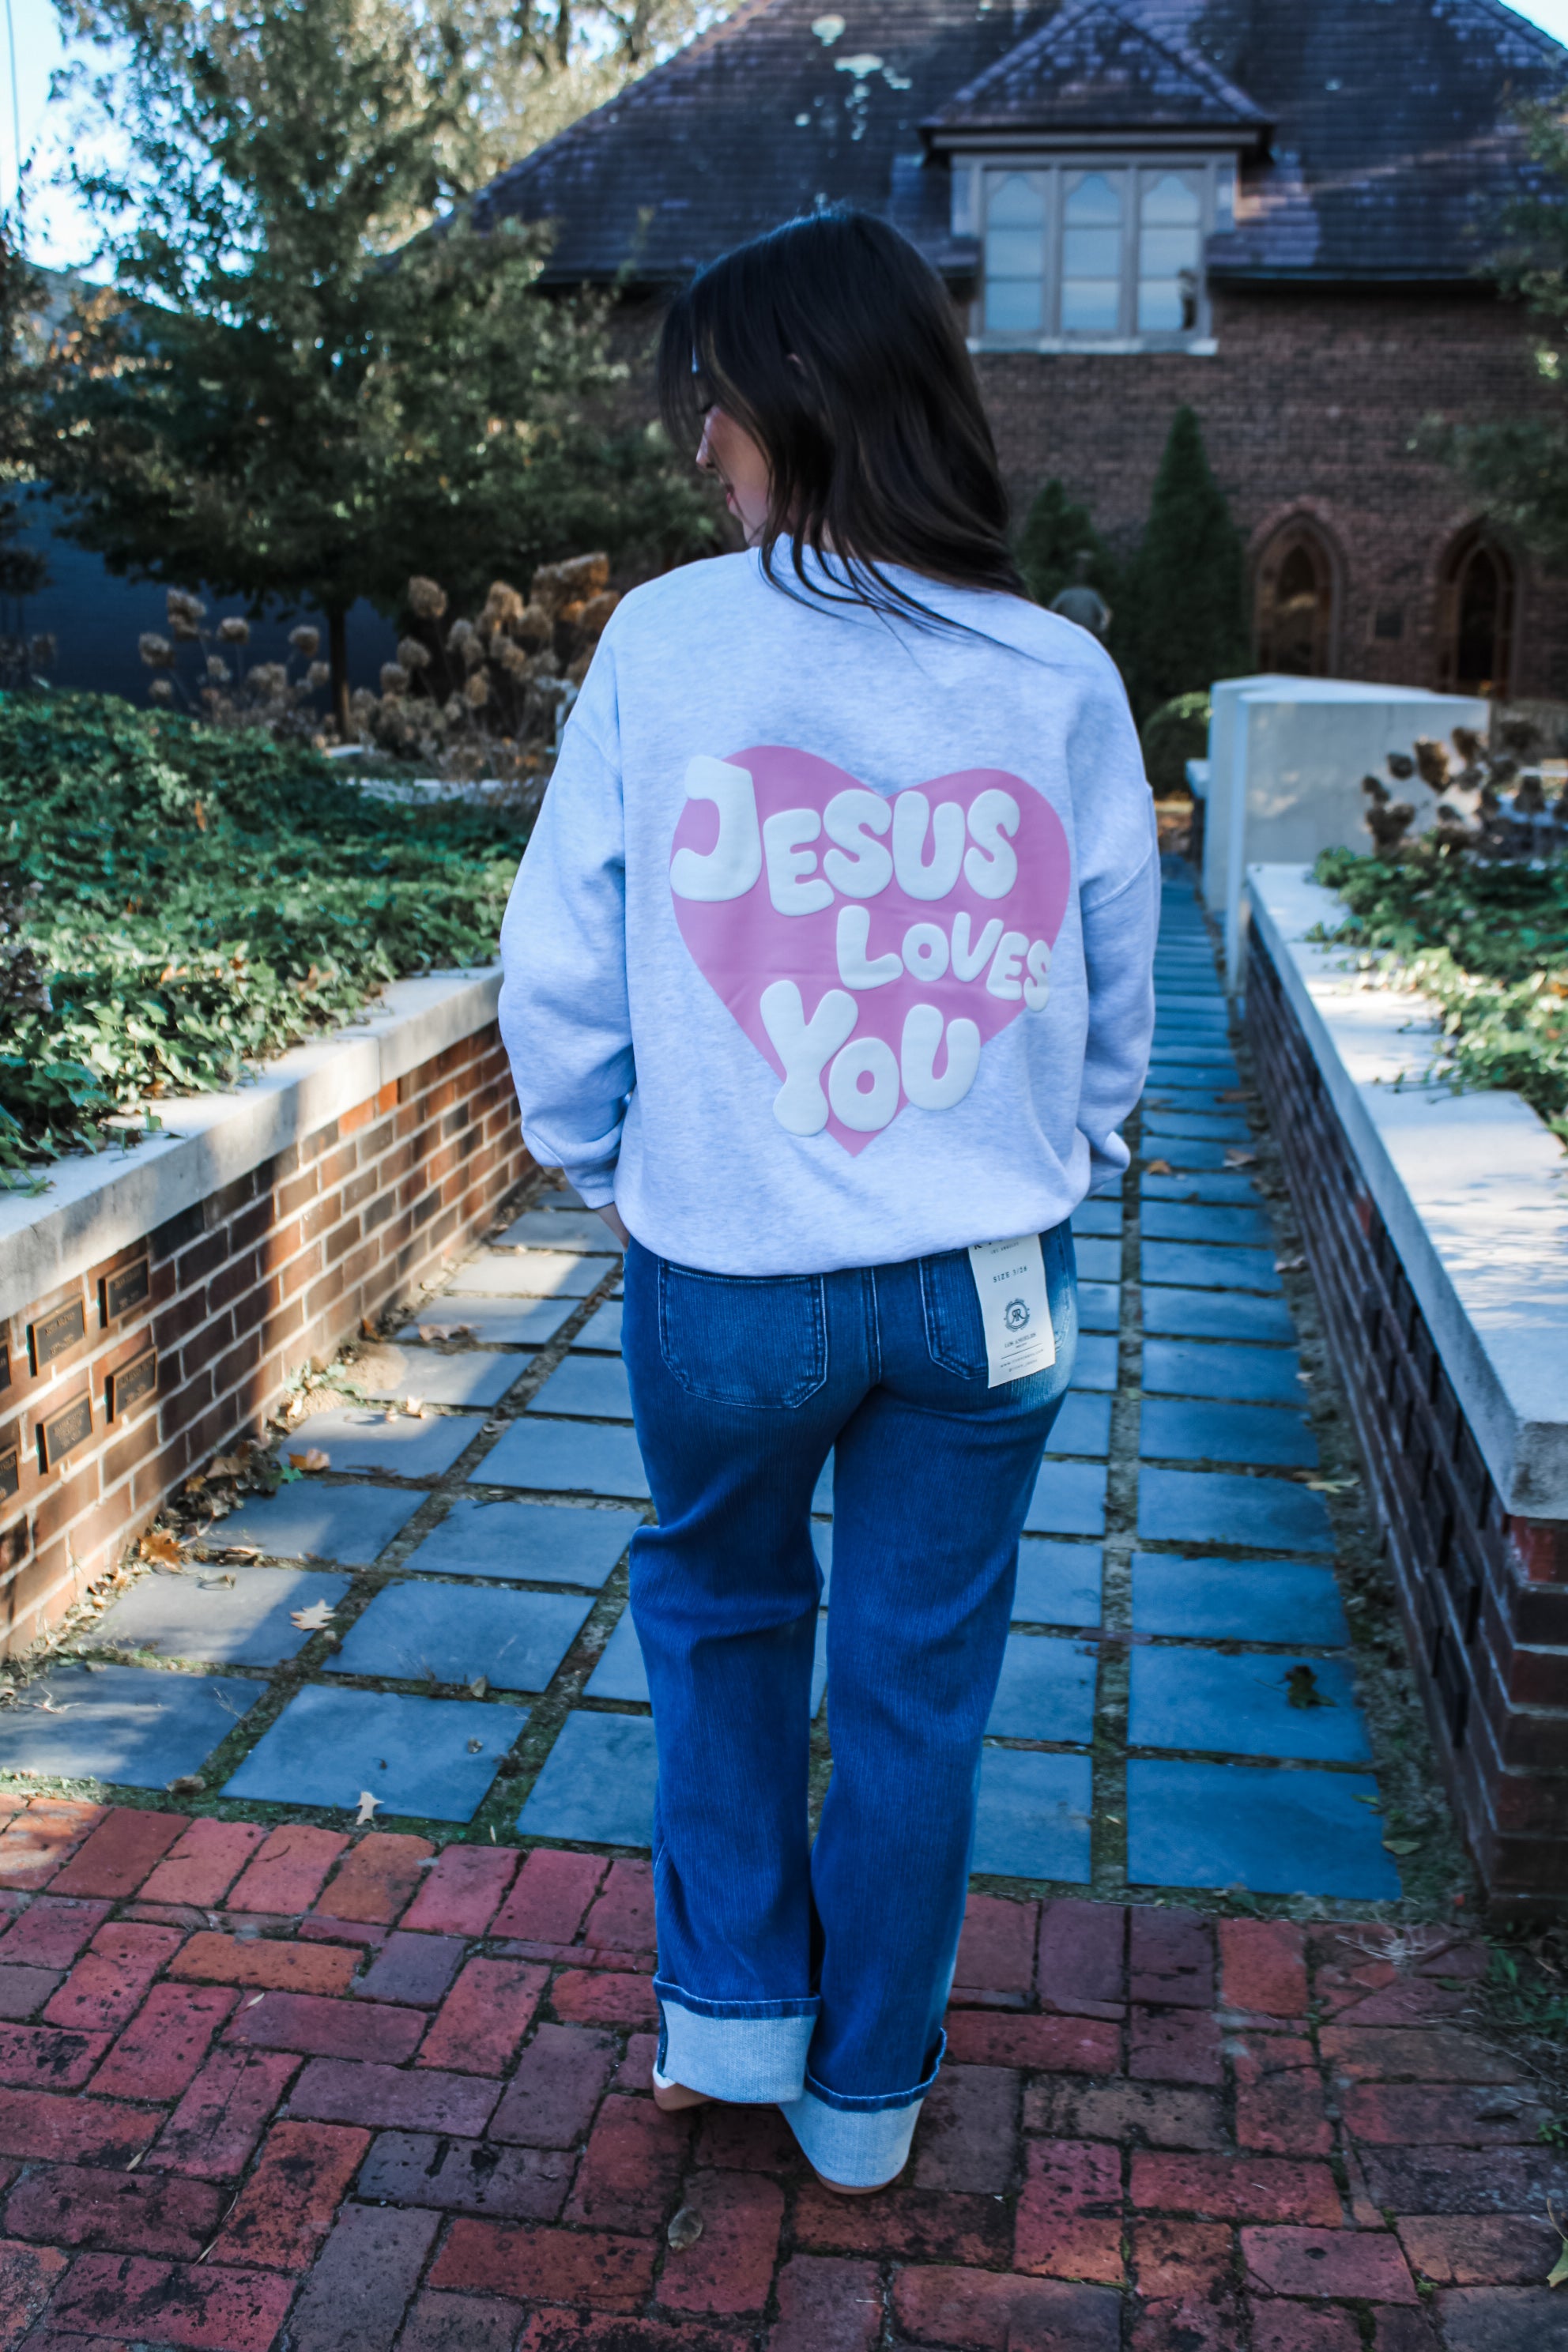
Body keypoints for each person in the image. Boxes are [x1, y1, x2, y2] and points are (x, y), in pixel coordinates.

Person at [497, 208, 1158, 2194]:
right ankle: (863, 2102)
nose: (698, 442)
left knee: (719, 1619)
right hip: (986, 1283)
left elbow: (564, 958)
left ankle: (727, 2024)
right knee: (915, 1685)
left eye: (709, 399)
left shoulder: (669, 641)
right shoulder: (1056, 673)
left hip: (729, 1267)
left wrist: (605, 1158)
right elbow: (1114, 980)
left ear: (791, 398)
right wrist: (1062, 1152)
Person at [1050, 549, 1113, 641]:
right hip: (1070, 637)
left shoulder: (1092, 595)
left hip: (1086, 637)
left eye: (1083, 568)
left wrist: (1100, 630)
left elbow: (1106, 614)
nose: (1080, 571)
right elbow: (1051, 610)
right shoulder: (1067, 593)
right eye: (1079, 567)